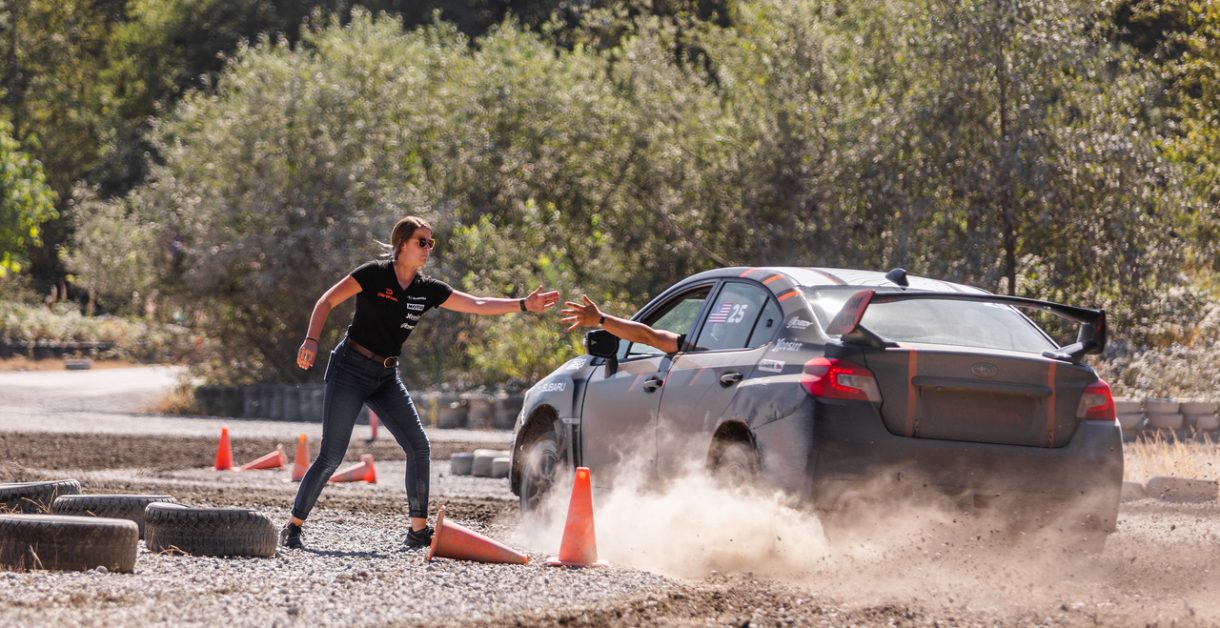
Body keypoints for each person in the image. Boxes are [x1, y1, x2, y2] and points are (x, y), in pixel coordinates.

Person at [281, 216, 559, 550]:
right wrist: (311, 340)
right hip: (349, 369)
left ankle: (417, 530)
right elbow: (326, 301)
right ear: (402, 244)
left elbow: (477, 304)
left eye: (431, 242)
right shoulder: (373, 274)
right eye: (421, 242)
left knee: (419, 446)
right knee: (331, 456)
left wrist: (524, 305)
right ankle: (293, 526)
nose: (428, 248)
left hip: (386, 376)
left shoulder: (427, 290)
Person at [559, 294, 683, 353]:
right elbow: (648, 337)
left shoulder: (692, 346)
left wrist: (600, 319)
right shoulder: (692, 344)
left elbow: (649, 337)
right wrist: (600, 319)